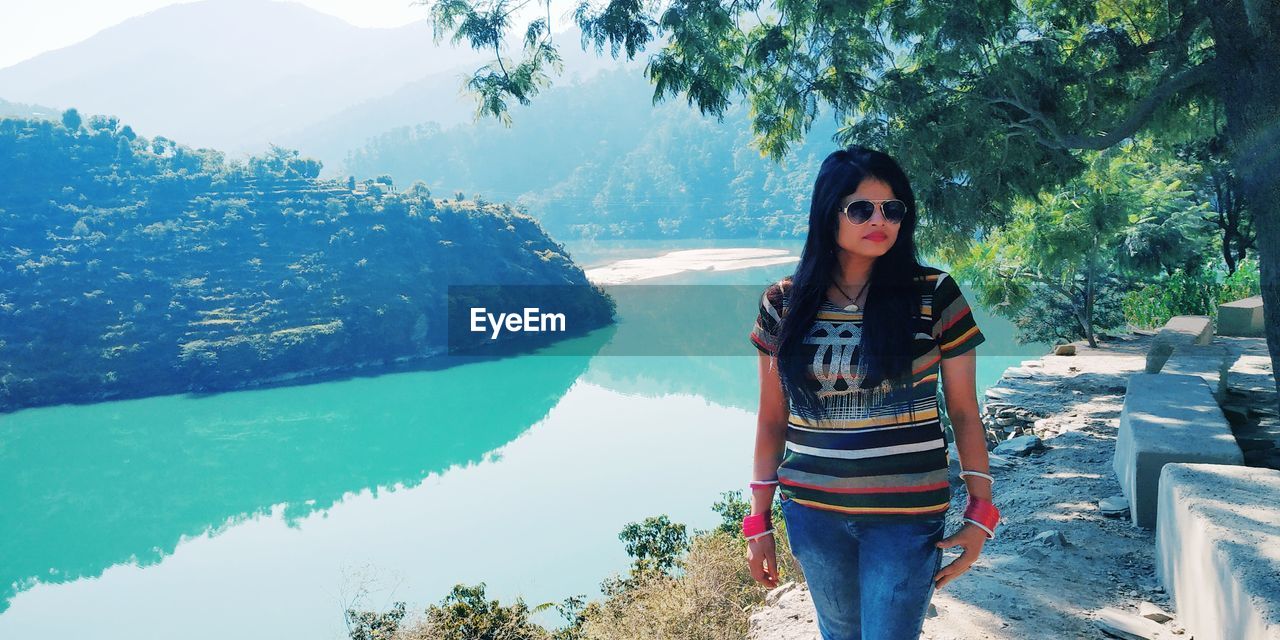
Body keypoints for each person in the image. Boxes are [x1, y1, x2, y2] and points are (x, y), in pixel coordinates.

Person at [741, 145, 1000, 640]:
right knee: (840, 635)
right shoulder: (783, 303)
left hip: (905, 515)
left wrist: (981, 513)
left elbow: (965, 413)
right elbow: (772, 420)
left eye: (892, 208)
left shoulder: (934, 294)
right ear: (827, 214)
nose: (878, 220)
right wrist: (759, 522)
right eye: (861, 208)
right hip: (813, 514)